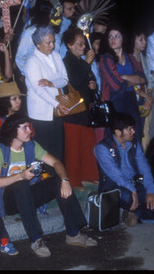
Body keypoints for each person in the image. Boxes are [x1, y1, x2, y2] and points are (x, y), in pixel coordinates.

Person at [0, 114, 97, 258]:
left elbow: (56, 163)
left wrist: (65, 180)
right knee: (21, 184)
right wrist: (20, 176)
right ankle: (35, 239)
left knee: (57, 182)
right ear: (13, 130)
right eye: (25, 128)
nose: (30, 131)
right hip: (8, 201)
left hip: (27, 196)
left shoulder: (31, 146)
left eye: (29, 127)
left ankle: (74, 233)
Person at [94, 112, 154, 226]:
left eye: (133, 128)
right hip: (115, 187)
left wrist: (150, 191)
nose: (134, 132)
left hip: (135, 184)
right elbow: (117, 176)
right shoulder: (102, 148)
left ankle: (138, 215)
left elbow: (144, 168)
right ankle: (136, 209)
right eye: (130, 129)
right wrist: (133, 191)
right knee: (128, 198)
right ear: (118, 132)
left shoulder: (134, 144)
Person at [62, 27, 100, 191]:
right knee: (73, 148)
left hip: (84, 110)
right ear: (70, 45)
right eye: (79, 44)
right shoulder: (67, 61)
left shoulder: (80, 61)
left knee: (88, 145)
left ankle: (89, 176)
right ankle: (74, 180)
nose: (83, 47)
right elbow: (75, 81)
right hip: (72, 111)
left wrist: (93, 86)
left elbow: (88, 81)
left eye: (84, 44)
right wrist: (87, 63)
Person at [24, 25, 69, 162]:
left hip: (56, 110)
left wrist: (51, 83)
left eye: (53, 42)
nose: (52, 46)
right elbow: (38, 90)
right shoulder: (32, 61)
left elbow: (65, 79)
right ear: (38, 45)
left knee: (57, 149)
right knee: (43, 151)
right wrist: (56, 104)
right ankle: (45, 182)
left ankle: (60, 181)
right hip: (41, 113)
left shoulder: (56, 55)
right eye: (48, 43)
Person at [99, 25, 147, 142]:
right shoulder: (106, 58)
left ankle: (133, 160)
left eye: (117, 36)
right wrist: (131, 80)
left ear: (123, 39)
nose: (113, 40)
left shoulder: (130, 57)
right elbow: (116, 86)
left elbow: (143, 78)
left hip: (131, 100)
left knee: (135, 134)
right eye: (110, 37)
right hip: (114, 101)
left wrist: (124, 77)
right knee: (118, 137)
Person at [130, 28, 154, 149]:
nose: (144, 42)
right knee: (134, 130)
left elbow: (150, 78)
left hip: (144, 99)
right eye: (141, 39)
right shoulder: (129, 58)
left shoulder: (145, 59)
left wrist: (149, 94)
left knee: (143, 130)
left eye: (145, 39)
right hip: (134, 98)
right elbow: (129, 82)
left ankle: (142, 155)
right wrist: (145, 95)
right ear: (133, 40)